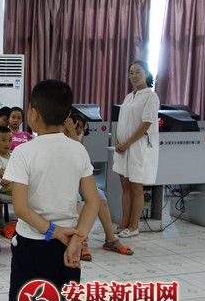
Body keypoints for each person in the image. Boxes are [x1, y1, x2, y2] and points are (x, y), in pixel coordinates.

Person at [4, 79, 100, 301]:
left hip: (35, 245)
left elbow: (21, 207)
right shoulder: (78, 150)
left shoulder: (24, 152)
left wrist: (53, 231)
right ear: (67, 115)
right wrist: (77, 238)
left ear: (33, 113)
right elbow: (92, 201)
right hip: (67, 248)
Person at [64, 116, 134, 259]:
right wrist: (70, 132)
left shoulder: (77, 137)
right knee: (76, 201)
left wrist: (74, 133)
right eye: (77, 127)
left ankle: (110, 240)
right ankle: (80, 241)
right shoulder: (61, 136)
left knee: (100, 198)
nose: (79, 130)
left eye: (81, 128)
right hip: (65, 182)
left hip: (80, 180)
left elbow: (81, 156)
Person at [112, 60, 160, 238]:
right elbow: (122, 122)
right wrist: (118, 141)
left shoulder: (150, 97)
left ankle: (134, 226)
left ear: (147, 74)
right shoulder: (128, 96)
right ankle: (124, 223)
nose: (133, 75)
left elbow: (146, 124)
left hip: (138, 148)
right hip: (123, 148)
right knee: (125, 186)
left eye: (138, 71)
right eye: (131, 72)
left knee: (136, 188)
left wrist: (127, 143)